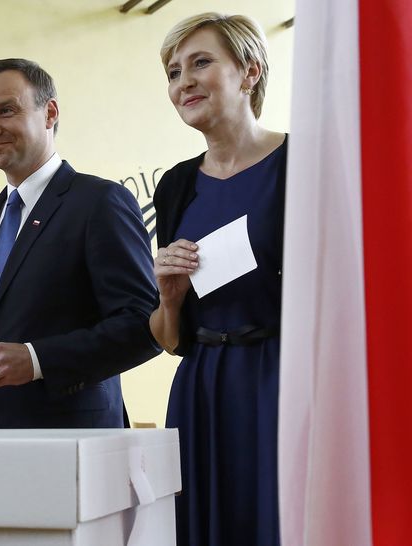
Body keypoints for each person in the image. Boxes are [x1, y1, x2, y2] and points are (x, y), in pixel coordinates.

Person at [0, 58, 161, 429]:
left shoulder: (100, 202)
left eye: (5, 111)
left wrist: (38, 359)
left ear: (49, 112)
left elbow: (143, 326)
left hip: (69, 437)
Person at [150, 13, 286, 546]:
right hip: (201, 387)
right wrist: (169, 297)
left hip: (284, 380)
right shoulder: (176, 185)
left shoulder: (302, 163)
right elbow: (168, 339)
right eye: (173, 70)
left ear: (250, 72)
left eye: (200, 62)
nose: (182, 80)